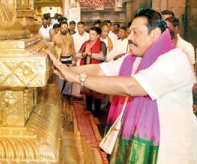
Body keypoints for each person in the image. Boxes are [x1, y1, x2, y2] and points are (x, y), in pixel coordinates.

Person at [47, 8, 197, 164]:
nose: (129, 37)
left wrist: (78, 78)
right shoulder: (134, 58)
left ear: (156, 34)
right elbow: (100, 70)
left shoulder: (174, 60)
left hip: (169, 149)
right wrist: (66, 70)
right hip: (138, 140)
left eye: (135, 32)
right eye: (130, 32)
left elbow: (131, 87)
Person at [75, 27, 106, 117]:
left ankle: (97, 111)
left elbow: (102, 57)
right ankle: (88, 109)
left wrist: (90, 54)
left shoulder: (102, 44)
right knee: (87, 89)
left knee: (97, 91)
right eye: (90, 34)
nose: (91, 36)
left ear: (98, 35)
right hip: (86, 70)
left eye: (93, 34)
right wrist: (84, 54)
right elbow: (77, 55)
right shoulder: (85, 43)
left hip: (97, 71)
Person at [52, 21, 76, 96]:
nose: (64, 29)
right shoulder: (55, 37)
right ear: (60, 28)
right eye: (63, 27)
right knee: (60, 77)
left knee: (69, 77)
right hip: (60, 59)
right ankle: (58, 93)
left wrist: (74, 59)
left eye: (66, 27)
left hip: (69, 58)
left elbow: (72, 48)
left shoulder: (70, 37)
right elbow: (52, 49)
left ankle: (67, 94)